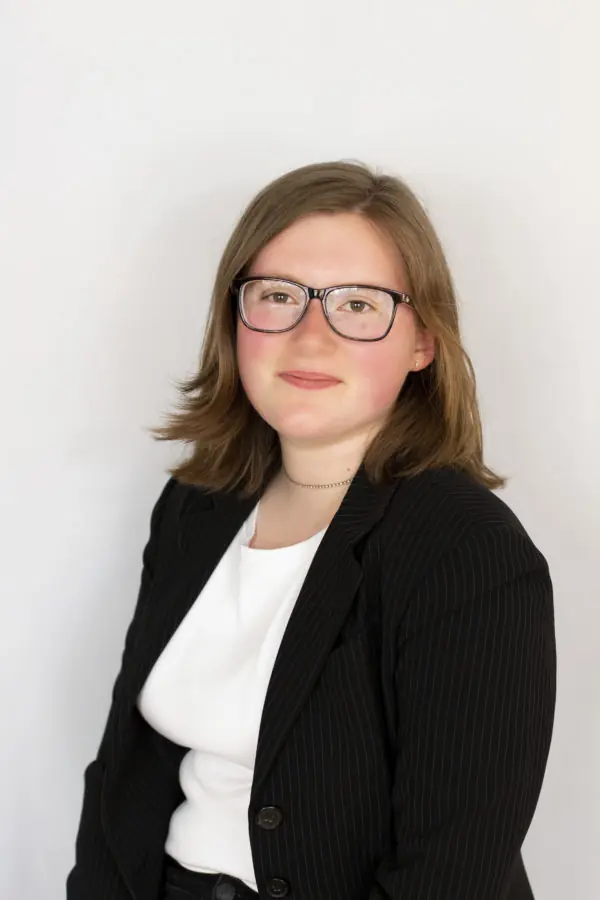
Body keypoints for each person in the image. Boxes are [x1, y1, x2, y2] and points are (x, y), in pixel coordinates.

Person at [67, 160, 556, 900]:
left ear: (423, 342)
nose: (310, 337)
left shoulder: (466, 550)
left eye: (358, 305)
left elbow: (450, 873)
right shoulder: (196, 505)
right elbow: (121, 779)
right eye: (278, 296)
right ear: (236, 319)